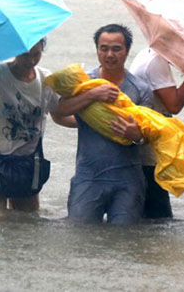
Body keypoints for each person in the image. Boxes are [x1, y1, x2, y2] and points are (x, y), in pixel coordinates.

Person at [0, 39, 74, 215]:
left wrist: (91, 124)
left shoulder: (45, 78)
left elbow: (59, 113)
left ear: (42, 50)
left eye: (35, 54)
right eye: (24, 55)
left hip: (28, 161)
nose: (30, 60)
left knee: (28, 222)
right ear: (14, 51)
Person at [57, 24, 154, 224]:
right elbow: (59, 111)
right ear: (97, 50)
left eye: (116, 49)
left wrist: (135, 135)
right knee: (80, 236)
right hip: (88, 175)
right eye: (104, 48)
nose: (110, 54)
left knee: (123, 239)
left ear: (127, 51)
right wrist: (93, 94)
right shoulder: (84, 83)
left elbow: (150, 133)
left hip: (128, 179)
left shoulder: (140, 88)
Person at [129, 47, 184, 219]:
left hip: (148, 134)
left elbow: (163, 99)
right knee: (158, 212)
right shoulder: (156, 62)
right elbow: (174, 106)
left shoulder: (149, 55)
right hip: (148, 141)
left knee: (148, 205)